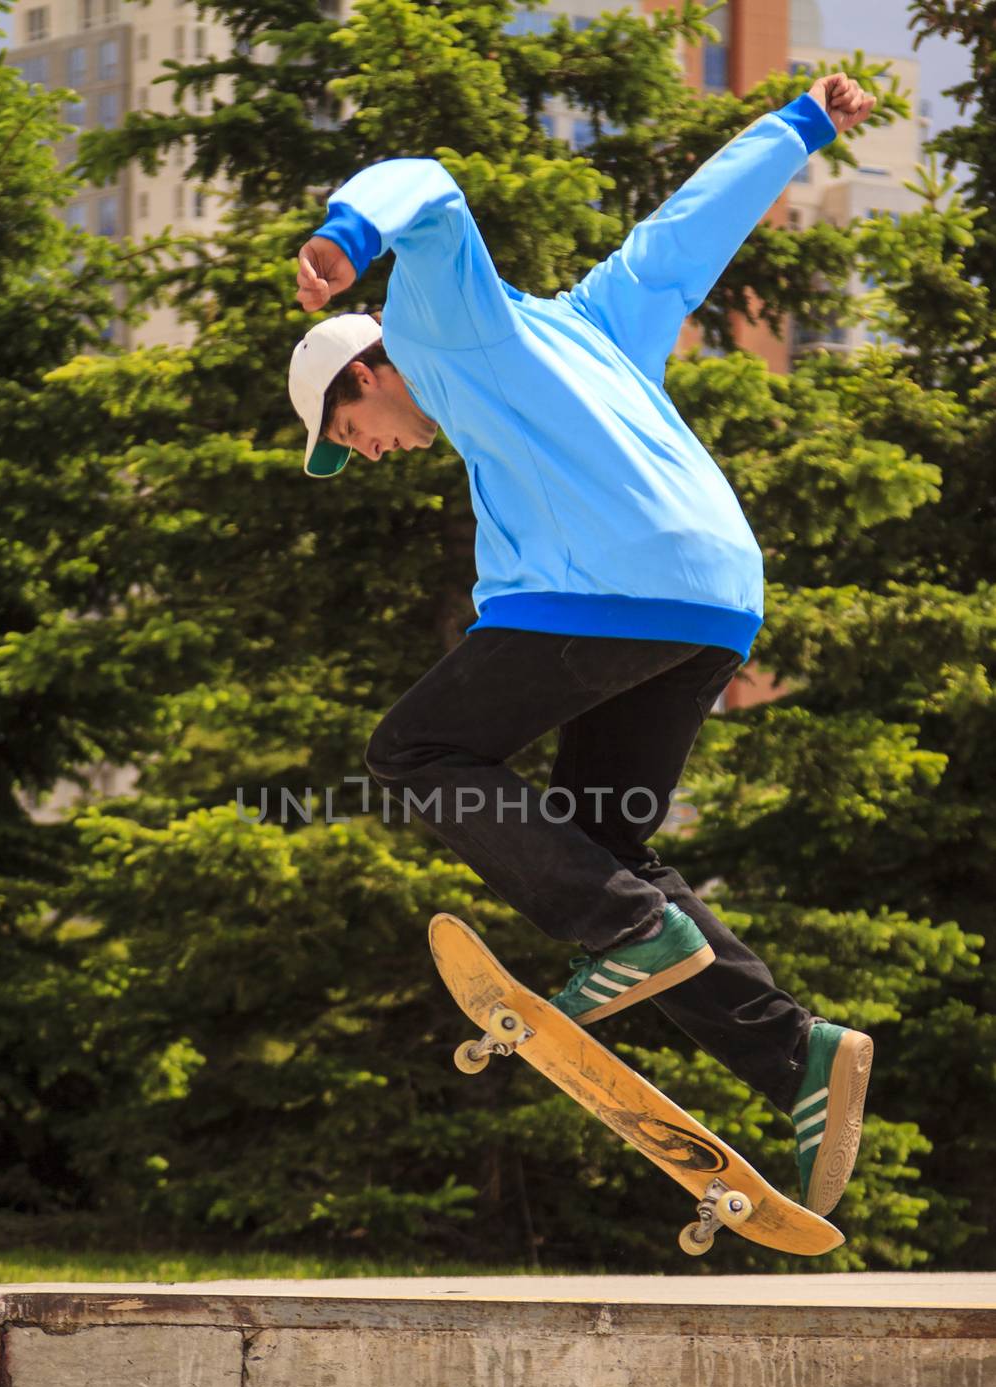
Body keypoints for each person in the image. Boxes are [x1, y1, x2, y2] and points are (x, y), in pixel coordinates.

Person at [288, 74, 877, 1217]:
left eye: (345, 433)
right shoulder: (594, 321)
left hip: (604, 593)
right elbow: (687, 229)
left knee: (411, 751)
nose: (364, 453)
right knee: (608, 845)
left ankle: (622, 931)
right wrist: (798, 125)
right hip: (710, 600)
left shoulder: (436, 324)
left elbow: (432, 188)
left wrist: (347, 231)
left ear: (362, 371)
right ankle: (793, 1052)